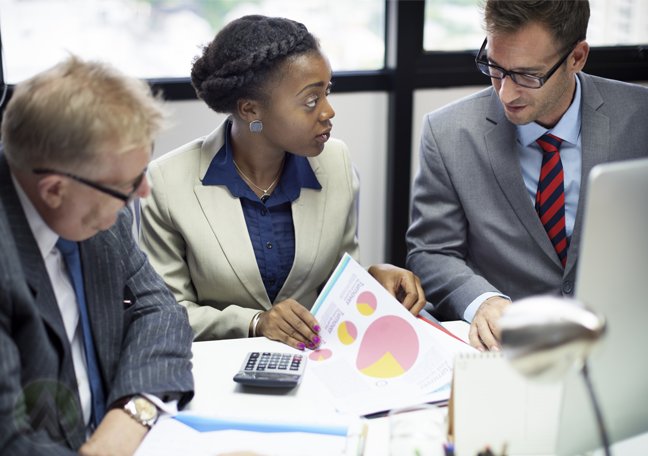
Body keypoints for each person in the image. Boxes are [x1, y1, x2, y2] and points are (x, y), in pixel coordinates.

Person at [140, 15, 425, 350]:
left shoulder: (335, 162)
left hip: (316, 365)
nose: (328, 111)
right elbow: (165, 312)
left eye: (327, 92)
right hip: (218, 370)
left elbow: (336, 282)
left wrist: (373, 278)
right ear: (250, 110)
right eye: (310, 101)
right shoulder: (167, 182)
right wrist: (254, 323)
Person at [406, 0, 648, 352]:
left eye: (526, 75)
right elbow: (430, 251)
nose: (505, 92)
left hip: (624, 340)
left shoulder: (640, 118)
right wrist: (483, 301)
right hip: (510, 349)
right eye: (494, 67)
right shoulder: (447, 133)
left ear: (576, 57)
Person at [0, 56, 194, 456]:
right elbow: (10, 441)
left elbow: (160, 313)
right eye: (126, 185)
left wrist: (133, 413)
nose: (143, 193)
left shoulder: (97, 204)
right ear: (54, 190)